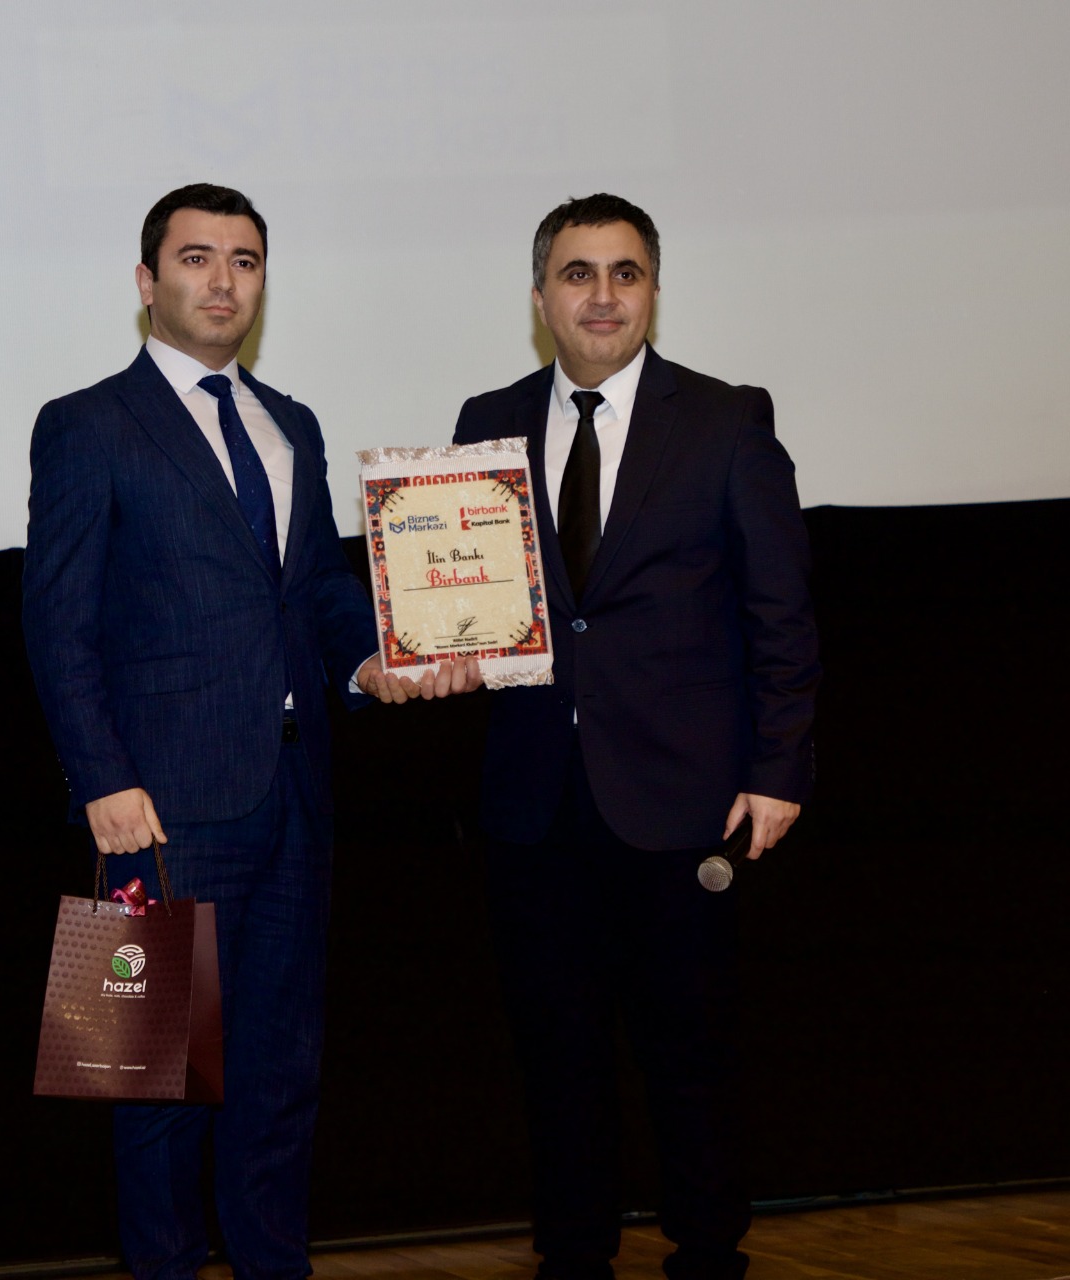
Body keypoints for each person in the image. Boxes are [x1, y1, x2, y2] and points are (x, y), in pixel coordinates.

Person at [23, 183, 477, 1280]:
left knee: (278, 1079)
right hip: (152, 813)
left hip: (294, 802)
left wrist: (369, 663)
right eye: (197, 257)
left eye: (245, 260)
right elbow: (55, 617)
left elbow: (313, 589)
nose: (223, 280)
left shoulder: (292, 423)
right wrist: (100, 778)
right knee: (147, 1083)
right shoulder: (83, 422)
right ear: (147, 282)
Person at [452, 194, 820, 1280]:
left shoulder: (725, 421)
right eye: (578, 274)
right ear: (540, 296)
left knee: (691, 1055)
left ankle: (707, 1253)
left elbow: (780, 611)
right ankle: (573, 1256)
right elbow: (466, 596)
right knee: (555, 1054)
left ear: (653, 289)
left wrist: (779, 766)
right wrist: (430, 646)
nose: (602, 295)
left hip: (684, 801)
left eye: (625, 272)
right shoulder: (485, 419)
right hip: (533, 801)